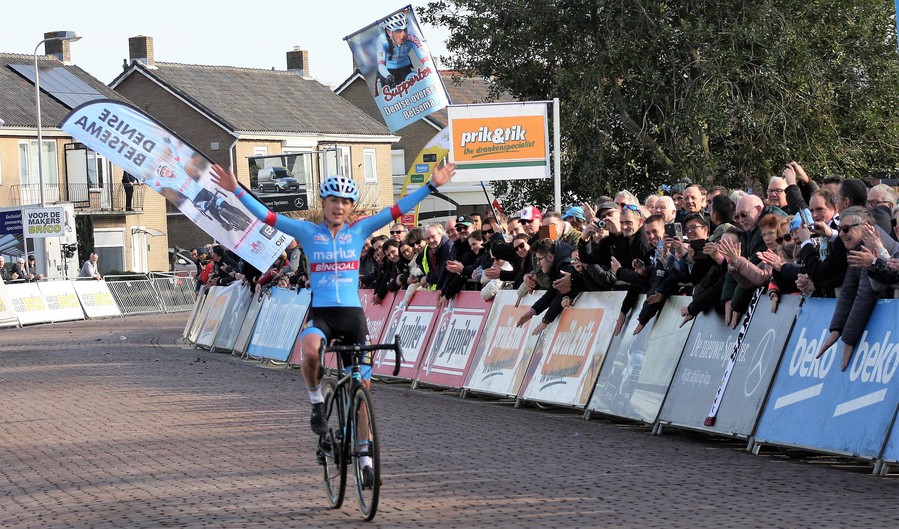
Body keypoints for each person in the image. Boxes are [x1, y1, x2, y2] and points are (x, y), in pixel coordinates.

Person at [211, 162, 456, 484]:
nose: (338, 206)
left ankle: (365, 459)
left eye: (344, 202)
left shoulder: (360, 230)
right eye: (332, 201)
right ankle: (316, 400)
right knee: (310, 351)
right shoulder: (307, 232)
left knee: (362, 393)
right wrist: (237, 189)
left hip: (353, 317)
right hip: (323, 314)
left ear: (350, 207)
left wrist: (431, 186)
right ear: (324, 204)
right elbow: (267, 217)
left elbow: (397, 209)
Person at [374, 10, 430, 95]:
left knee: (416, 88)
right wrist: (387, 75)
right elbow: (381, 65)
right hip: (387, 70)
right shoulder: (382, 40)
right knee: (381, 94)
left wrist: (428, 68)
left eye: (405, 30)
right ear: (389, 32)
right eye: (398, 31)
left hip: (405, 69)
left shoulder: (411, 37)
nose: (403, 34)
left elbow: (425, 59)